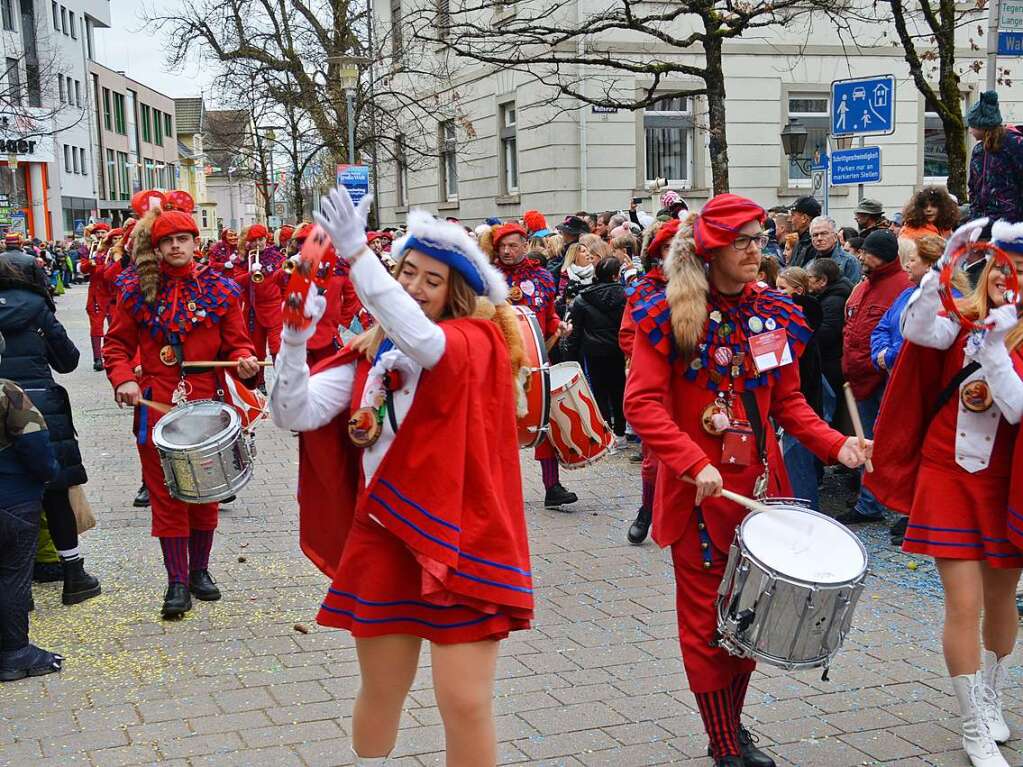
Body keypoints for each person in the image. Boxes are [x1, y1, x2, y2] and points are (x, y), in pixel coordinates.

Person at [271, 189, 533, 767]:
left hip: (466, 542)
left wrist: (355, 251)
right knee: (382, 695)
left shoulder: (477, 342)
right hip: (388, 539)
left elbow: (423, 338)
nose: (415, 286)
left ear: (456, 292)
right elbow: (294, 412)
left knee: (463, 702)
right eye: (406, 272)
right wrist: (293, 339)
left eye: (431, 280)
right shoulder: (372, 355)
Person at [624, 195, 869, 767]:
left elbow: (790, 404)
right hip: (700, 498)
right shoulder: (666, 313)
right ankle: (725, 742)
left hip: (759, 498)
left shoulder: (772, 313)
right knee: (708, 629)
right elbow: (642, 405)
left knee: (747, 624)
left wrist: (840, 445)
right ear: (711, 251)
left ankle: (729, 732)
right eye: (744, 242)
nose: (757, 250)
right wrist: (692, 461)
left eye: (761, 239)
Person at [867, 220, 1023, 767]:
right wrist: (939, 267)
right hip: (947, 471)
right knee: (964, 602)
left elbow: (1018, 407)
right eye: (1005, 267)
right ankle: (972, 725)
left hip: (1006, 481)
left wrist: (998, 346)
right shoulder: (958, 317)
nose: (1012, 279)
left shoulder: (1009, 332)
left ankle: (992, 694)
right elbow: (915, 329)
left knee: (1002, 599)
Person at [103, 195, 260, 619]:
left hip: (207, 404)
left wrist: (245, 361)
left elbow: (238, 342)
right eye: (167, 240)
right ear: (155, 248)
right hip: (157, 406)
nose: (175, 246)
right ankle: (176, 581)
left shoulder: (220, 290)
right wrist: (124, 379)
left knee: (205, 492)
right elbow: (116, 345)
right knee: (167, 494)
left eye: (183, 238)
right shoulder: (135, 290)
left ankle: (201, 572)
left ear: (196, 242)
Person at [0, 261, 101, 605]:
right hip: (42, 408)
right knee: (56, 491)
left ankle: (16, 585)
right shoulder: (37, 308)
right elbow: (68, 360)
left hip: (0, 404)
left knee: (8, 493)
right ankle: (74, 575)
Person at [491, 222, 577, 508]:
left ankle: (552, 487)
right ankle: (496, 489)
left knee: (543, 423)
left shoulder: (541, 276)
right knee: (498, 427)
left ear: (525, 245)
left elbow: (549, 314)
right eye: (502, 246)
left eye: (513, 245)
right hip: (499, 364)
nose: (506, 251)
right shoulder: (486, 278)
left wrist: (559, 326)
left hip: (539, 360)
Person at [0, 335, 63, 683]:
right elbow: (36, 447)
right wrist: (49, 475)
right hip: (11, 502)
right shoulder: (9, 393)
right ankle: (14, 652)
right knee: (11, 576)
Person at [838, 229, 912, 525]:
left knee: (886, 443)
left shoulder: (901, 288)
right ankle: (869, 499)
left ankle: (877, 504)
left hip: (884, 379)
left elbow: (900, 334)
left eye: (865, 252)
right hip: (861, 377)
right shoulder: (865, 284)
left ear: (878, 256)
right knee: (865, 439)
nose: (859, 256)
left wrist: (882, 359)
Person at [619, 220, 677, 545]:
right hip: (659, 385)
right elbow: (628, 335)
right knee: (654, 456)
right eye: (670, 248)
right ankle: (646, 508)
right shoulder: (643, 291)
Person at [565, 256, 628, 447]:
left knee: (599, 392)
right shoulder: (626, 296)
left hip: (594, 351)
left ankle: (606, 433)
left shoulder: (582, 299)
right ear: (616, 275)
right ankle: (620, 433)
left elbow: (575, 332)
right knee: (619, 392)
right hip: (618, 350)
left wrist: (570, 355)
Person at [776, 266, 824, 509]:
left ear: (798, 290)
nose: (777, 293)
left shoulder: (798, 321)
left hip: (800, 401)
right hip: (796, 400)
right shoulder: (790, 316)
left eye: (782, 288)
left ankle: (807, 513)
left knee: (799, 464)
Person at [968, 91, 1023, 225]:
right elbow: (973, 186)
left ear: (983, 125)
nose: (970, 130)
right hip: (982, 220)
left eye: (972, 126)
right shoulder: (978, 150)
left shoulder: (1014, 145)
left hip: (1011, 221)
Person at [806, 216, 862, 284]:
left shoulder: (849, 261)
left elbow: (853, 292)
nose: (819, 238)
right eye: (815, 235)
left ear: (835, 237)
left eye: (824, 233)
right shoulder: (809, 264)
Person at [786, 196, 821, 267]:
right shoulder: (802, 241)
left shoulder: (815, 244)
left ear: (804, 218)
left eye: (793, 215)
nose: (789, 220)